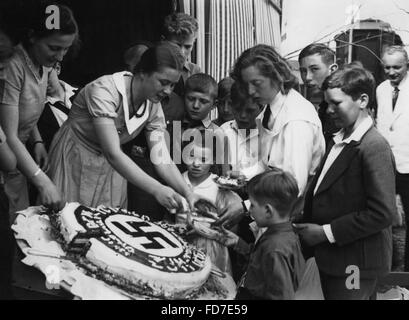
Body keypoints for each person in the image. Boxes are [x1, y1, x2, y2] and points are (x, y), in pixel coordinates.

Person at [48, 42, 201, 213]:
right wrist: (157, 189)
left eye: (172, 85)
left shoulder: (153, 105)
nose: (168, 91)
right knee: (67, 220)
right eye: (163, 82)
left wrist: (187, 192)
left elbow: (162, 159)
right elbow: (112, 152)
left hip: (112, 168)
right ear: (142, 73)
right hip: (76, 159)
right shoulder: (104, 91)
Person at [294, 65, 396, 300]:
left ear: (362, 100)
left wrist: (325, 233)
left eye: (336, 103)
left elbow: (382, 213)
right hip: (335, 260)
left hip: (355, 263)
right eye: (327, 103)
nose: (328, 110)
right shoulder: (340, 138)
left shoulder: (373, 146)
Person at [216, 44, 325, 228]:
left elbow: (292, 186)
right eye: (246, 84)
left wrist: (245, 207)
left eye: (256, 84)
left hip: (289, 219)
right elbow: (272, 164)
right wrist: (246, 175)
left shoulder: (295, 121)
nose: (250, 92)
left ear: (277, 75)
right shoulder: (272, 107)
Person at [0, 4, 78, 217]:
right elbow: (9, 135)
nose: (60, 57)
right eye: (54, 48)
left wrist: (37, 141)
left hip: (19, 159)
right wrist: (43, 182)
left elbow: (30, 105)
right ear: (33, 36)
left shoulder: (44, 63)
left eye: (66, 49)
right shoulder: (12, 66)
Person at [214, 168, 305, 300]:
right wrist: (238, 243)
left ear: (268, 210)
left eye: (252, 205)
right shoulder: (283, 235)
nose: (249, 210)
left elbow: (282, 295)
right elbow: (261, 261)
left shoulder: (275, 248)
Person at [177, 131, 232, 274]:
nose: (195, 163)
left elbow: (229, 225)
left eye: (203, 159)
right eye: (190, 156)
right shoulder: (177, 181)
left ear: (214, 160)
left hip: (210, 248)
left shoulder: (218, 186)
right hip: (179, 242)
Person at [376, 45, 409, 271]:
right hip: (386, 162)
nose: (391, 72)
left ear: (407, 65)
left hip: (408, 162)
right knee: (382, 216)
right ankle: (383, 265)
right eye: (387, 67)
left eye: (397, 67)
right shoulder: (381, 89)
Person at [221, 82, 264, 180]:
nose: (243, 115)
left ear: (261, 107)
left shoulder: (268, 135)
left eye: (249, 110)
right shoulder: (224, 131)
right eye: (238, 109)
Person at [299, 43, 339, 143]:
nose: (307, 77)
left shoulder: (342, 107)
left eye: (314, 69)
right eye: (303, 71)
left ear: (332, 70)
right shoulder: (320, 105)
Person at [161, 12, 201, 96]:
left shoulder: (194, 71)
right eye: (177, 45)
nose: (182, 52)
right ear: (163, 41)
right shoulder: (152, 67)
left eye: (188, 47)